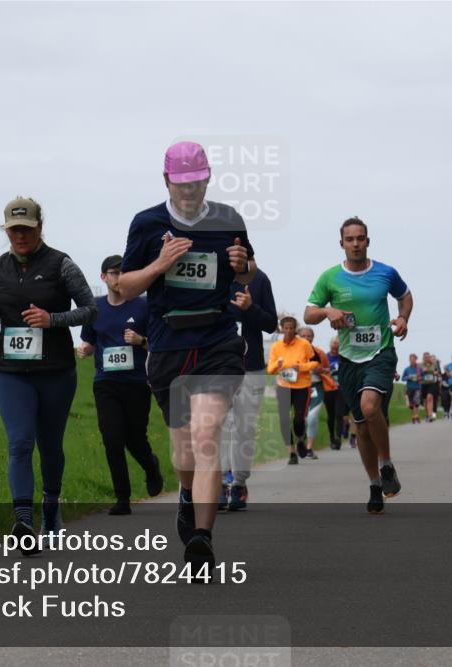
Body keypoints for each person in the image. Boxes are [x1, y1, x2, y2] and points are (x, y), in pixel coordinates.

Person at [117, 140, 256, 572]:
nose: (190, 191)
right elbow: (123, 289)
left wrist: (242, 265)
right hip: (168, 348)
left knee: (206, 435)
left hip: (217, 341)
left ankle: (202, 540)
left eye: (197, 183)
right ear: (166, 181)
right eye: (182, 184)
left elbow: (248, 268)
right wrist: (159, 265)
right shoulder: (147, 224)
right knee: (183, 454)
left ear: (208, 178)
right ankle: (185, 493)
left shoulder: (228, 219)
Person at [0, 196, 96, 555]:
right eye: (13, 230)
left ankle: (51, 504)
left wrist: (52, 319)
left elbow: (90, 310)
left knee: (50, 446)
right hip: (11, 371)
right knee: (19, 443)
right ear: (6, 231)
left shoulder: (62, 265)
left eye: (26, 229)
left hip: (55, 371)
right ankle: (24, 521)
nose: (20, 236)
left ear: (40, 227)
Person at [305, 217, 413, 514]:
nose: (356, 244)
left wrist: (403, 318)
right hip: (350, 358)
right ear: (342, 244)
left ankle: (387, 464)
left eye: (361, 238)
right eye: (350, 239)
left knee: (369, 407)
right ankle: (375, 485)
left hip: (381, 351)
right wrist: (328, 311)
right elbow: (308, 314)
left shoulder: (385, 273)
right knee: (361, 428)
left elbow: (405, 297)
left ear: (368, 241)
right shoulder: (330, 278)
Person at [77, 255, 164, 516]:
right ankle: (122, 497)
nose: (118, 278)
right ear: (103, 277)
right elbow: (91, 341)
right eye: (114, 273)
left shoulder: (143, 306)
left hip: (137, 382)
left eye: (123, 273)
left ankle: (151, 467)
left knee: (135, 438)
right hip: (106, 383)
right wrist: (85, 349)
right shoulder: (94, 308)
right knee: (112, 438)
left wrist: (140, 340)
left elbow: (158, 345)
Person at [219, 268, 278, 511]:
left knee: (244, 427)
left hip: (250, 367)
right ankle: (220, 482)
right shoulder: (211, 273)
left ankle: (239, 484)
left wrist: (250, 309)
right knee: (220, 426)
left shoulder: (260, 279)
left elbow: (271, 324)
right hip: (216, 366)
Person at [267, 317, 319, 464]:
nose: (289, 330)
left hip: (302, 386)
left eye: (291, 328)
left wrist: (301, 367)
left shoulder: (304, 344)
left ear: (295, 328)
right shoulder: (276, 347)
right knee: (283, 420)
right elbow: (270, 370)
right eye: (286, 328)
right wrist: (278, 364)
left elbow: (316, 362)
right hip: (283, 386)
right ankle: (291, 452)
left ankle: (301, 439)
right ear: (282, 328)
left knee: (298, 419)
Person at [299, 326, 336, 460]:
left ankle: (309, 448)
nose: (307, 338)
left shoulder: (319, 353)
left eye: (309, 336)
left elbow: (327, 370)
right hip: (300, 388)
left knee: (312, 418)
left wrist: (319, 370)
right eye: (303, 336)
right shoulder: (293, 352)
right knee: (301, 419)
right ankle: (301, 443)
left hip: (317, 388)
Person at [324, 338, 350, 448]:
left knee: (339, 414)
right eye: (333, 348)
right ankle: (331, 437)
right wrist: (326, 371)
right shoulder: (325, 357)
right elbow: (321, 370)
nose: (334, 350)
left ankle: (338, 438)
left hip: (341, 389)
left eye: (337, 349)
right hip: (328, 389)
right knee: (331, 415)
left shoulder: (343, 358)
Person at [401, 353, 422, 424]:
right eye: (411, 359)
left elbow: (423, 377)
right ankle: (414, 416)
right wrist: (408, 377)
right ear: (409, 360)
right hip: (409, 387)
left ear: (416, 360)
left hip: (417, 387)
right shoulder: (407, 369)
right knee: (411, 404)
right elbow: (403, 378)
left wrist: (420, 378)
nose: (412, 361)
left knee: (416, 402)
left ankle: (416, 415)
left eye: (414, 359)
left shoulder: (419, 369)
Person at [419, 352, 440, 421]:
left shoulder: (434, 364)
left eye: (428, 357)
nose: (426, 358)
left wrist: (435, 373)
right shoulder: (420, 365)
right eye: (425, 357)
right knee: (425, 400)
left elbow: (437, 372)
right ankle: (427, 414)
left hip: (431, 383)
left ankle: (430, 415)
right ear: (423, 358)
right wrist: (422, 371)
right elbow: (418, 373)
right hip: (423, 384)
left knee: (430, 398)